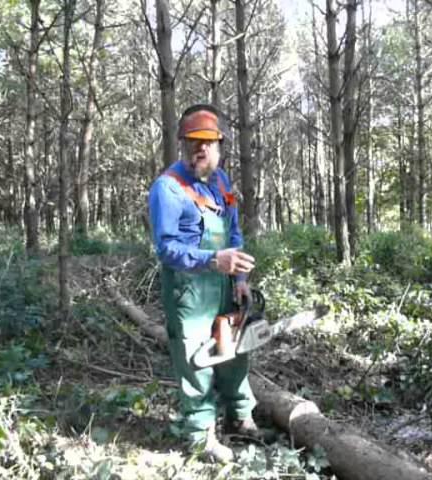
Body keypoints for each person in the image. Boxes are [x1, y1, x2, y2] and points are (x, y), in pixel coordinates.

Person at [148, 103, 262, 463]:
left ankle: (240, 417)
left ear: (220, 145)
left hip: (225, 286)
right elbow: (166, 248)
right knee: (196, 362)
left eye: (208, 142)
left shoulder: (222, 182)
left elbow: (234, 231)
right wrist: (213, 260)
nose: (201, 149)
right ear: (183, 144)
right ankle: (202, 436)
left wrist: (240, 277)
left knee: (235, 352)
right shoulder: (167, 188)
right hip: (189, 290)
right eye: (194, 141)